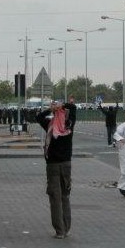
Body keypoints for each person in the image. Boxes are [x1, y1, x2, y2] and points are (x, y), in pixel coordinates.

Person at [36, 98, 77, 238]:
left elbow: (38, 117)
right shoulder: (69, 125)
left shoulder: (50, 126)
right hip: (66, 165)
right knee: (65, 197)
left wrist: (50, 109)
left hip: (53, 165)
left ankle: (60, 231)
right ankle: (66, 228)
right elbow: (73, 108)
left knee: (55, 198)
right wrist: (61, 106)